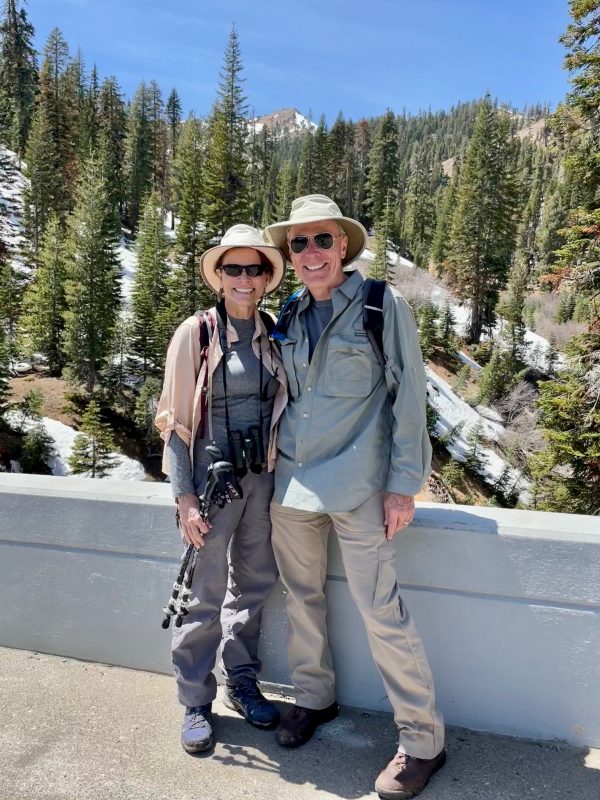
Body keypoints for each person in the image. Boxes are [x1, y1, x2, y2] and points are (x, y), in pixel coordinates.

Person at [265, 196, 446, 799]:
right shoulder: (290, 312)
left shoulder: (380, 305)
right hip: (293, 481)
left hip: (360, 485)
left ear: (342, 245)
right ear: (289, 255)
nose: (311, 253)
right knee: (301, 600)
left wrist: (403, 485)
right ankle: (314, 701)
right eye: (299, 243)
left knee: (380, 610)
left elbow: (410, 397)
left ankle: (422, 742)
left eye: (321, 240)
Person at [155, 224, 287, 754]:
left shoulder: (273, 331)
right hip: (211, 485)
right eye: (233, 269)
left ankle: (242, 679)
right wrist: (183, 499)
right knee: (203, 592)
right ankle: (194, 698)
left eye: (254, 269)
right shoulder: (197, 333)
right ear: (219, 278)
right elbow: (174, 422)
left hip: (262, 480)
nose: (244, 278)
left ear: (265, 278)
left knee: (254, 584)